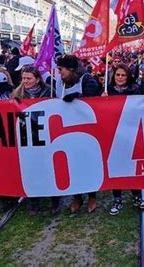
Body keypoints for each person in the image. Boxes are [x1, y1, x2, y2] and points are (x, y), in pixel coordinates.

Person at [12, 65, 61, 216]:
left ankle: (55, 200)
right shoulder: (17, 93)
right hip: (27, 136)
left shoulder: (49, 91)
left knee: (48, 167)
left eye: (29, 78)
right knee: (31, 169)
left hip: (46, 134)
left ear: (37, 79)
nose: (25, 81)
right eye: (24, 78)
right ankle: (34, 202)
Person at [102, 63, 144, 215]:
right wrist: (102, 100)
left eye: (123, 75)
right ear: (113, 76)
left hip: (131, 133)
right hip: (112, 134)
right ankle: (117, 198)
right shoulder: (106, 91)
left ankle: (136, 195)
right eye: (118, 75)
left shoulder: (136, 90)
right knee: (115, 165)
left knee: (132, 166)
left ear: (128, 77)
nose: (120, 78)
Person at [57, 54, 100, 213]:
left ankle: (92, 196)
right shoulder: (62, 83)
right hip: (67, 130)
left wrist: (77, 98)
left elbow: (94, 103)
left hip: (87, 131)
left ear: (71, 69)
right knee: (71, 164)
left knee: (87, 164)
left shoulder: (87, 79)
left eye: (61, 69)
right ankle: (77, 196)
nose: (59, 72)